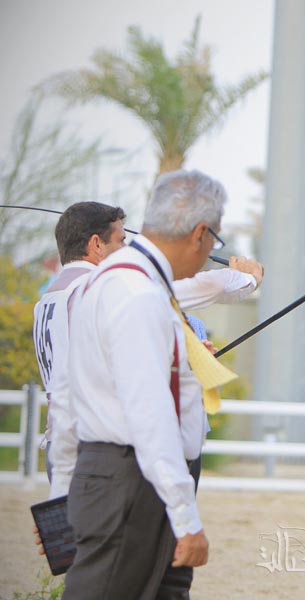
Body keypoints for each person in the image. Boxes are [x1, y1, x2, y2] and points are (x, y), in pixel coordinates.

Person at [49, 170, 235, 599]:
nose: (210, 253)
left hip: (126, 478)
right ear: (200, 234)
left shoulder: (114, 280)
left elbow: (63, 398)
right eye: (215, 241)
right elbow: (151, 416)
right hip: (130, 483)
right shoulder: (138, 294)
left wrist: (60, 497)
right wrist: (186, 518)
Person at [32, 200, 263, 494]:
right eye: (121, 241)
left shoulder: (47, 301)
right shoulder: (98, 288)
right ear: (96, 244)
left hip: (61, 447)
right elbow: (197, 288)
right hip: (102, 449)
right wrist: (247, 277)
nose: (126, 250)